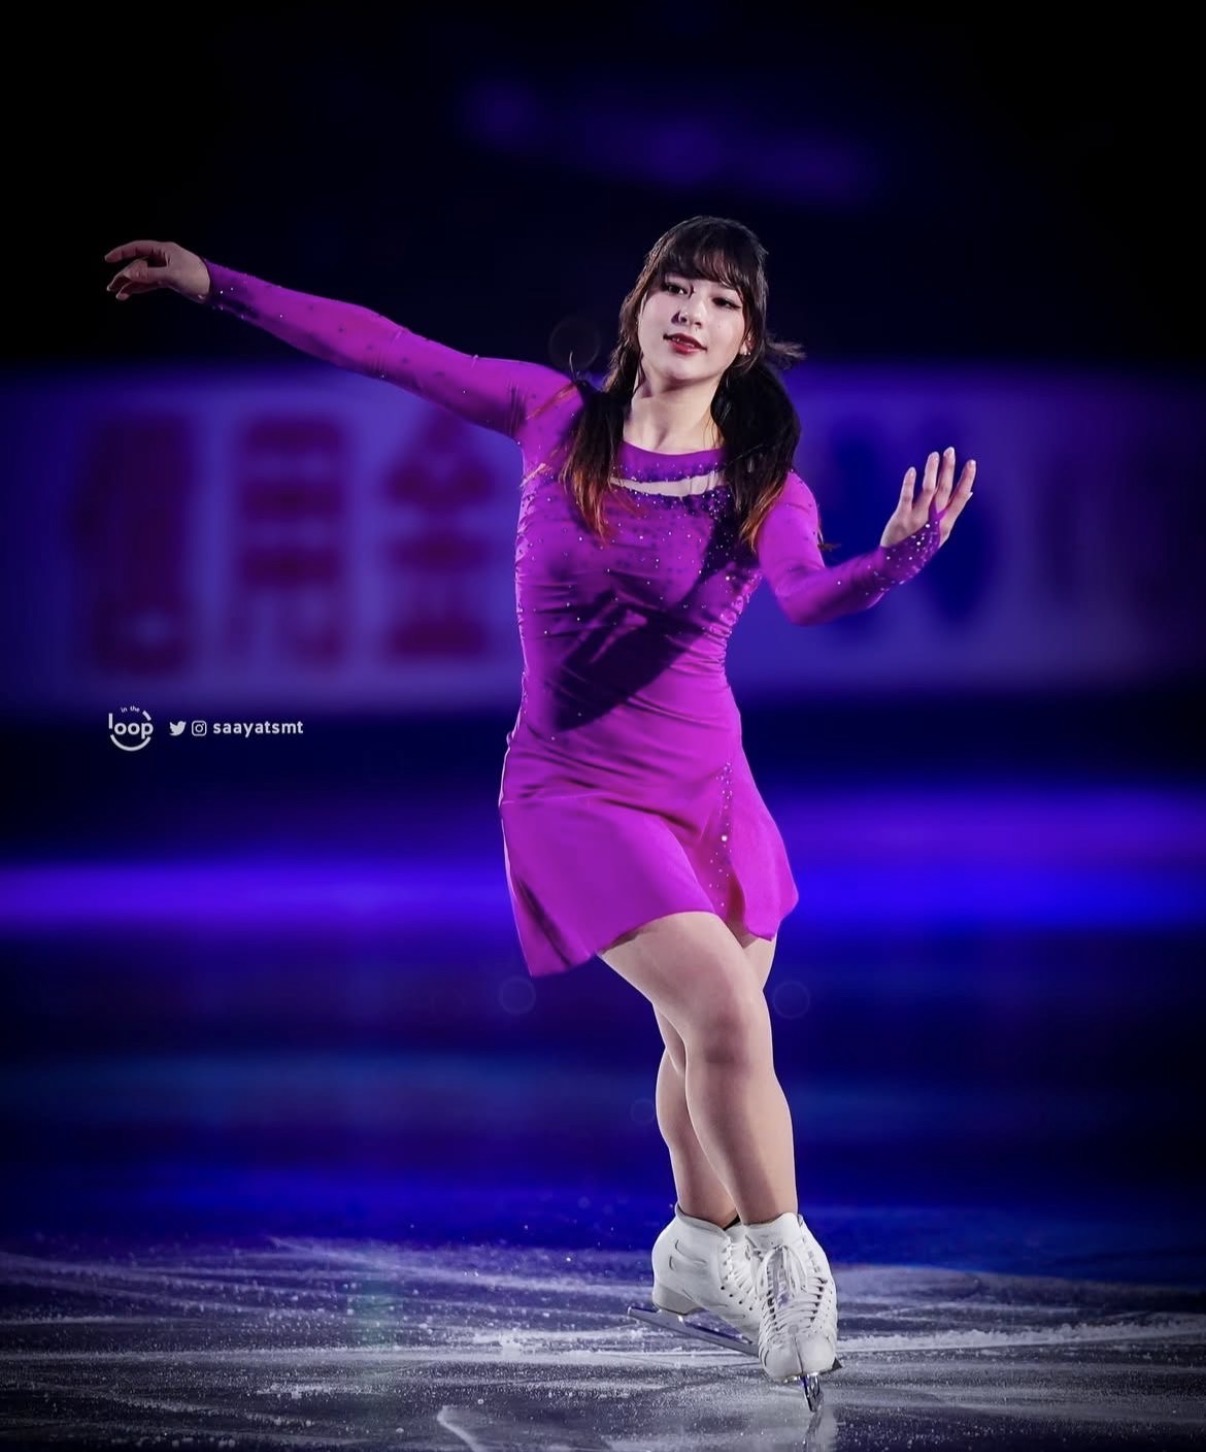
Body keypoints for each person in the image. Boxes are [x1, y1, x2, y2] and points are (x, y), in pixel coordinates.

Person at [103, 218, 974, 1386]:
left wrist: (893, 562)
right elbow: (382, 347)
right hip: (571, 792)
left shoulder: (765, 487)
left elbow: (811, 598)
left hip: (710, 794)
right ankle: (788, 1263)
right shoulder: (553, 417)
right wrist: (217, 284)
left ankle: (697, 1241)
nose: (692, 312)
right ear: (638, 306)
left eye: (722, 302)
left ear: (747, 341)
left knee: (700, 1031)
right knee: (724, 1010)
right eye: (675, 287)